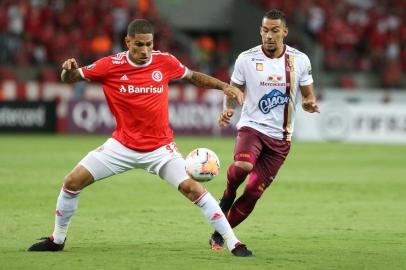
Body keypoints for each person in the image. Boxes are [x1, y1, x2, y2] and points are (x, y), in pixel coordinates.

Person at [27, 19, 252, 257]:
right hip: (121, 146)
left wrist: (224, 87)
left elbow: (192, 76)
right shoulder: (109, 65)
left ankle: (234, 242)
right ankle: (57, 239)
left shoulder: (164, 61)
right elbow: (70, 78)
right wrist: (67, 70)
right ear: (127, 42)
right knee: (72, 181)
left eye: (149, 44)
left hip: (160, 149)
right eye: (138, 45)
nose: (145, 51)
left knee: (193, 190)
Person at [209, 9, 320, 249]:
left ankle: (220, 234)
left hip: (280, 140)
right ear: (260, 31)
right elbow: (232, 89)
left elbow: (308, 95)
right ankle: (228, 193)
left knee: (252, 192)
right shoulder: (245, 59)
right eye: (265, 30)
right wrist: (228, 108)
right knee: (244, 166)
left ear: (285, 32)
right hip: (252, 127)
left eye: (275, 30)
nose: (269, 35)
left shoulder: (300, 60)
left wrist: (310, 102)